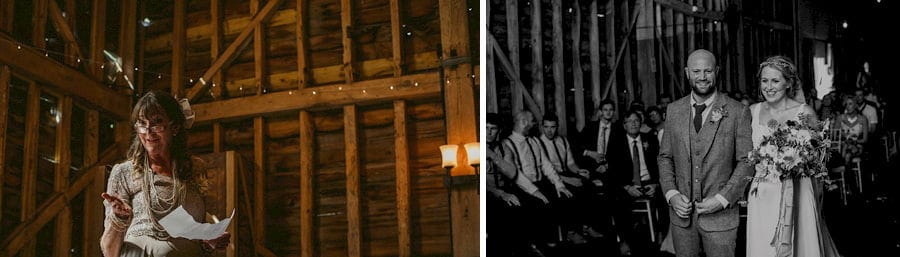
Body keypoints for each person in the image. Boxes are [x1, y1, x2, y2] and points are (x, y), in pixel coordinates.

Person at [100, 91, 230, 257]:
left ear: (175, 127)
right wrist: (119, 219)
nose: (148, 131)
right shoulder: (124, 172)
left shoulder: (195, 169)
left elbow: (199, 233)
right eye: (142, 123)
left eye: (157, 122)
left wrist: (210, 241)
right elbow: (109, 251)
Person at [657, 49, 753, 257]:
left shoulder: (738, 111)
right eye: (696, 71)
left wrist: (722, 198)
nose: (702, 77)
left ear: (716, 71)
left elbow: (747, 161)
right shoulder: (674, 110)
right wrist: (672, 194)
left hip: (721, 218)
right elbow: (665, 157)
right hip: (682, 218)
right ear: (687, 73)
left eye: (708, 71)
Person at [745, 56, 840, 257]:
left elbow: (819, 158)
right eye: (764, 81)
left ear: (788, 83)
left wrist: (797, 160)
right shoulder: (753, 111)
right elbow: (745, 153)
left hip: (799, 190)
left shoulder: (804, 112)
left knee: (802, 242)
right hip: (763, 191)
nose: (768, 87)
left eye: (775, 81)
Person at [502, 111, 573, 251]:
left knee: (564, 196)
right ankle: (536, 245)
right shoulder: (507, 144)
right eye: (532, 121)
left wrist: (559, 184)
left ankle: (560, 240)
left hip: (541, 183)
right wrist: (535, 191)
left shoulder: (535, 141)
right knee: (538, 204)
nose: (534, 124)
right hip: (521, 187)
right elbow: (516, 175)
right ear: (524, 122)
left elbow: (546, 165)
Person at [606, 110, 666, 255]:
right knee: (617, 199)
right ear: (624, 125)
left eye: (636, 120)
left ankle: (662, 234)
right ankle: (624, 240)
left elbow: (661, 163)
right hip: (628, 183)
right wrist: (627, 187)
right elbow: (613, 170)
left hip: (648, 182)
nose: (633, 123)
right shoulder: (616, 142)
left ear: (641, 123)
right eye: (630, 121)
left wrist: (656, 184)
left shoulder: (650, 139)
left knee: (667, 195)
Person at [576, 99, 621, 174]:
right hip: (590, 167)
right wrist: (590, 153)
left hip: (610, 169)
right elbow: (576, 145)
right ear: (600, 112)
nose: (608, 112)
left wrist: (606, 166)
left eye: (611, 110)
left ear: (614, 112)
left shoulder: (618, 130)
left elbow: (620, 153)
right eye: (605, 110)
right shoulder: (590, 127)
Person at [838, 97, 868, 163]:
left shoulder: (863, 119)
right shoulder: (840, 118)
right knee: (845, 151)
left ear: (855, 105)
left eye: (850, 104)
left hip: (857, 146)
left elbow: (865, 140)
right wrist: (843, 137)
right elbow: (835, 136)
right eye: (846, 104)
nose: (847, 106)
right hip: (843, 146)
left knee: (848, 154)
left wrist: (854, 141)